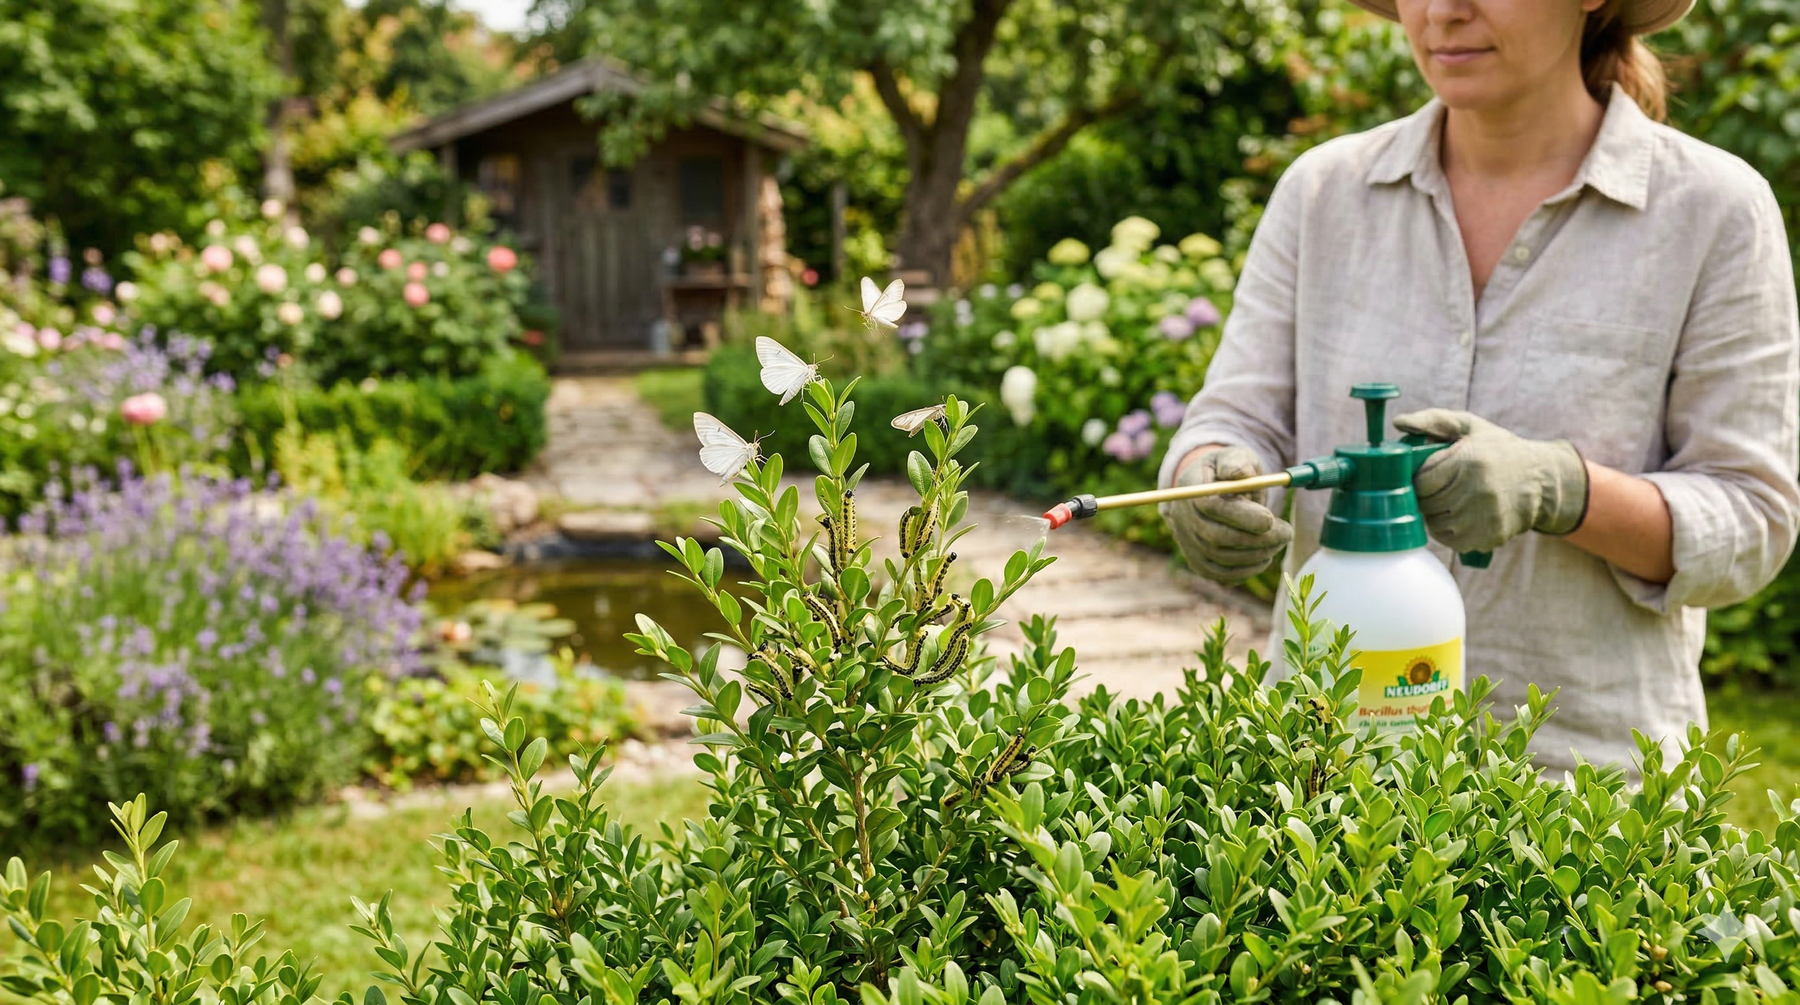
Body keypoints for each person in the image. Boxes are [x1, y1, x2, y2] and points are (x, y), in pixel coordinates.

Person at [1158, 0, 1799, 775]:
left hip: (1581, 802)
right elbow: (1233, 419)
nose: (1442, 12)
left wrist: (1563, 489)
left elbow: (1751, 518)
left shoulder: (1712, 212)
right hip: (1322, 778)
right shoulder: (1324, 194)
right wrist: (1205, 480)